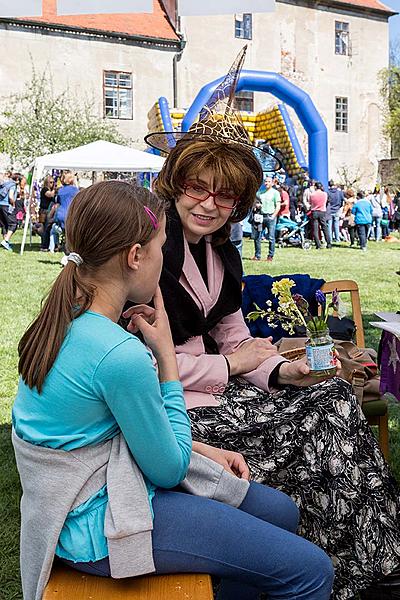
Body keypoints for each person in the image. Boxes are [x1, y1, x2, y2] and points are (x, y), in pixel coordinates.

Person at [12, 180, 335, 600]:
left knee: (281, 512)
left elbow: (107, 429)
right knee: (311, 571)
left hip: (83, 497)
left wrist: (202, 449)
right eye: (162, 247)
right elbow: (167, 468)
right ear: (135, 256)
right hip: (99, 524)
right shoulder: (118, 353)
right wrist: (165, 358)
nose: (164, 258)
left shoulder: (65, 318)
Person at [139, 138, 400, 600]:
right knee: (326, 422)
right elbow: (144, 362)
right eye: (199, 188)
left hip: (224, 395)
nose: (209, 204)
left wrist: (284, 373)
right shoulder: (149, 252)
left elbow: (238, 338)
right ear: (176, 185)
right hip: (174, 412)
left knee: (331, 398)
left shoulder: (220, 252)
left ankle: (359, 558)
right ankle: (361, 563)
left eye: (225, 196)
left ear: (239, 204)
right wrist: (230, 365)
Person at [258, 176, 281, 262]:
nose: (266, 183)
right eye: (265, 181)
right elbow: (255, 202)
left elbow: (278, 206)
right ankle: (257, 255)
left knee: (271, 237)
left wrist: (273, 216)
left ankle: (270, 256)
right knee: (258, 237)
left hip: (270, 216)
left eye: (268, 182)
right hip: (261, 216)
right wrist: (256, 205)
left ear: (272, 183)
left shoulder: (275, 193)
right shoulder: (261, 192)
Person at [309, 181, 331, 249]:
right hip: (322, 211)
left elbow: (310, 202)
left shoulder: (312, 194)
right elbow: (327, 202)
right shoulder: (324, 194)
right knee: (325, 228)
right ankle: (329, 243)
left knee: (315, 229)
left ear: (315, 187)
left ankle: (318, 244)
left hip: (314, 211)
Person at [0, 171, 17, 251]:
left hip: (0, 205)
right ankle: (5, 240)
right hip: (7, 205)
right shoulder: (12, 185)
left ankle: (5, 242)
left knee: (4, 224)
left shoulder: (2, 185)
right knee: (13, 224)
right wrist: (13, 204)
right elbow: (10, 196)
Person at [39, 175, 56, 251]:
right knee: (46, 229)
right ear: (47, 182)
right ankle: (44, 246)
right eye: (51, 182)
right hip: (45, 211)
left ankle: (46, 244)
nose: (52, 184)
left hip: (48, 211)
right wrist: (55, 189)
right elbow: (50, 195)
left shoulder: (49, 189)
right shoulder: (44, 189)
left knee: (47, 229)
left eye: (53, 182)